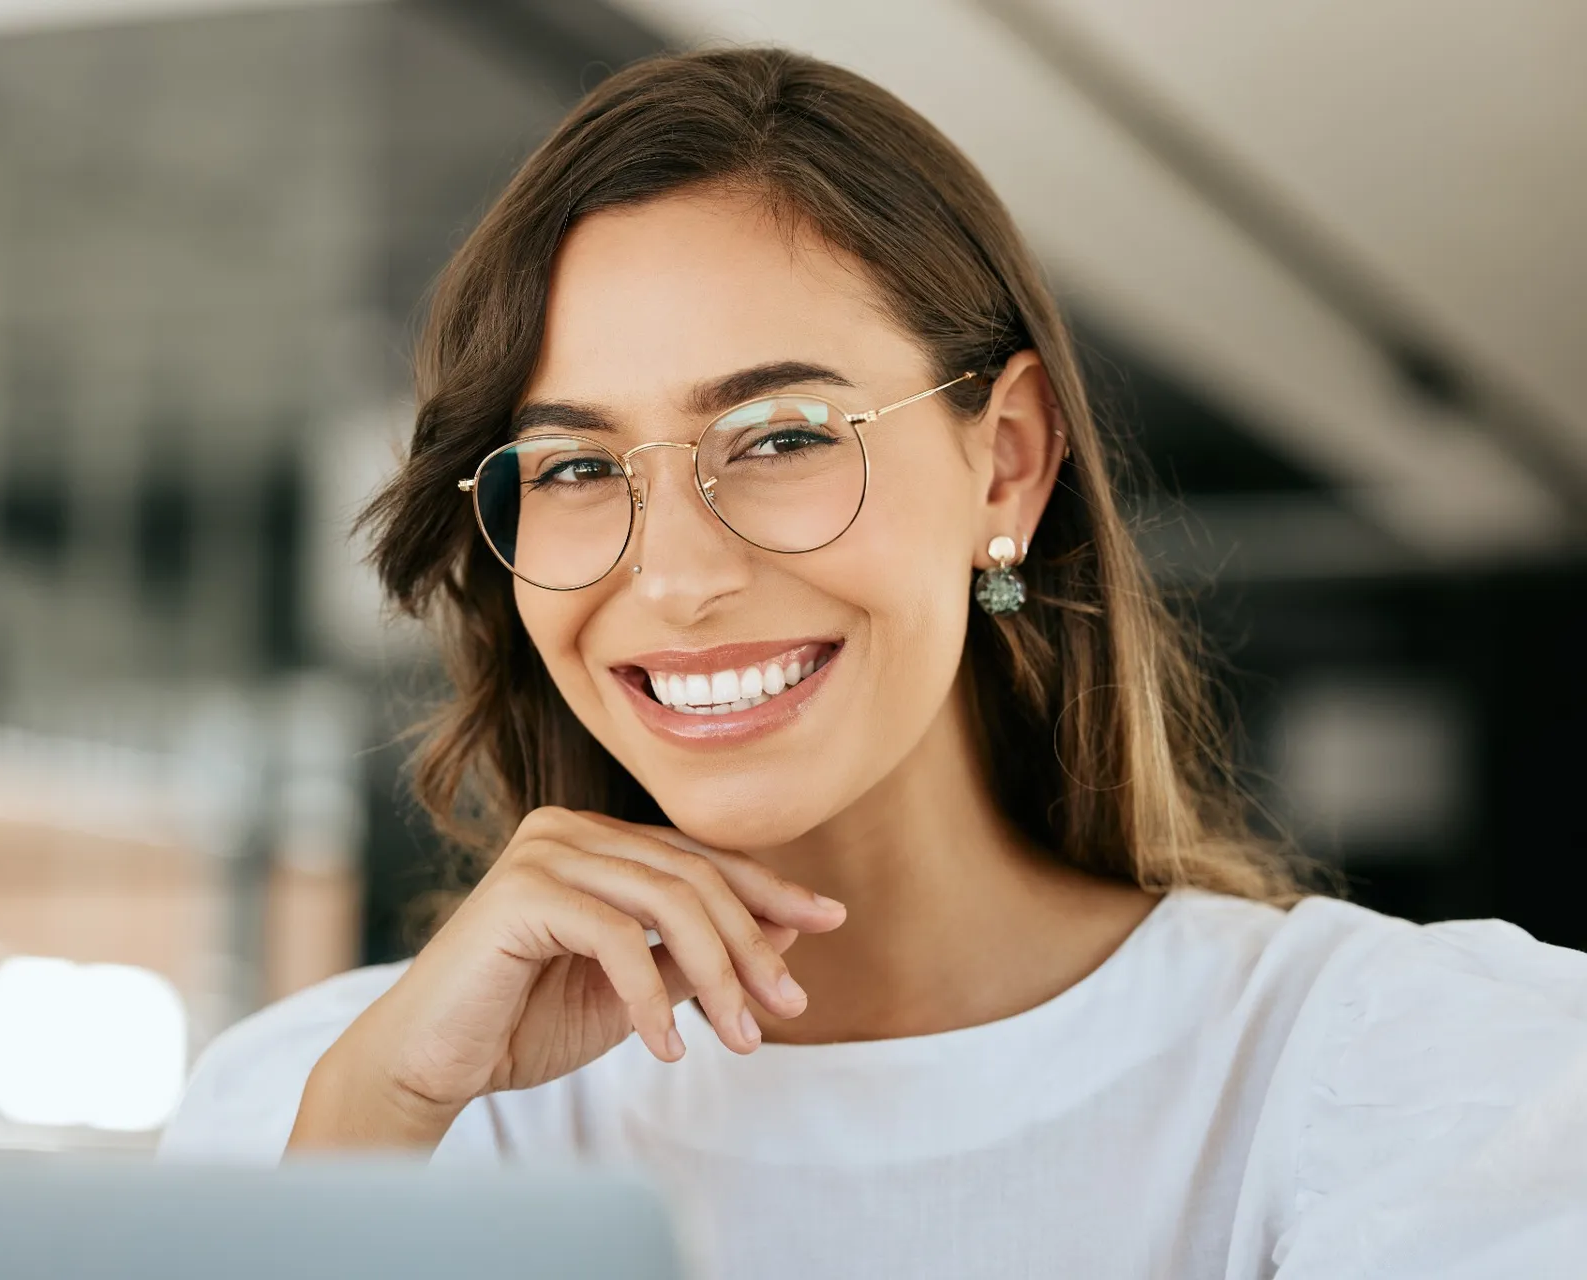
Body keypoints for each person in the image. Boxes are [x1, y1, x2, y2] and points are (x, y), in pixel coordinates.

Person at [160, 48, 1587, 1278]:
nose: (673, 576)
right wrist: (369, 1135)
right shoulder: (332, 1101)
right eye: (578, 464)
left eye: (781, 438)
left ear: (1007, 465)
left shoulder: (1392, 1077)